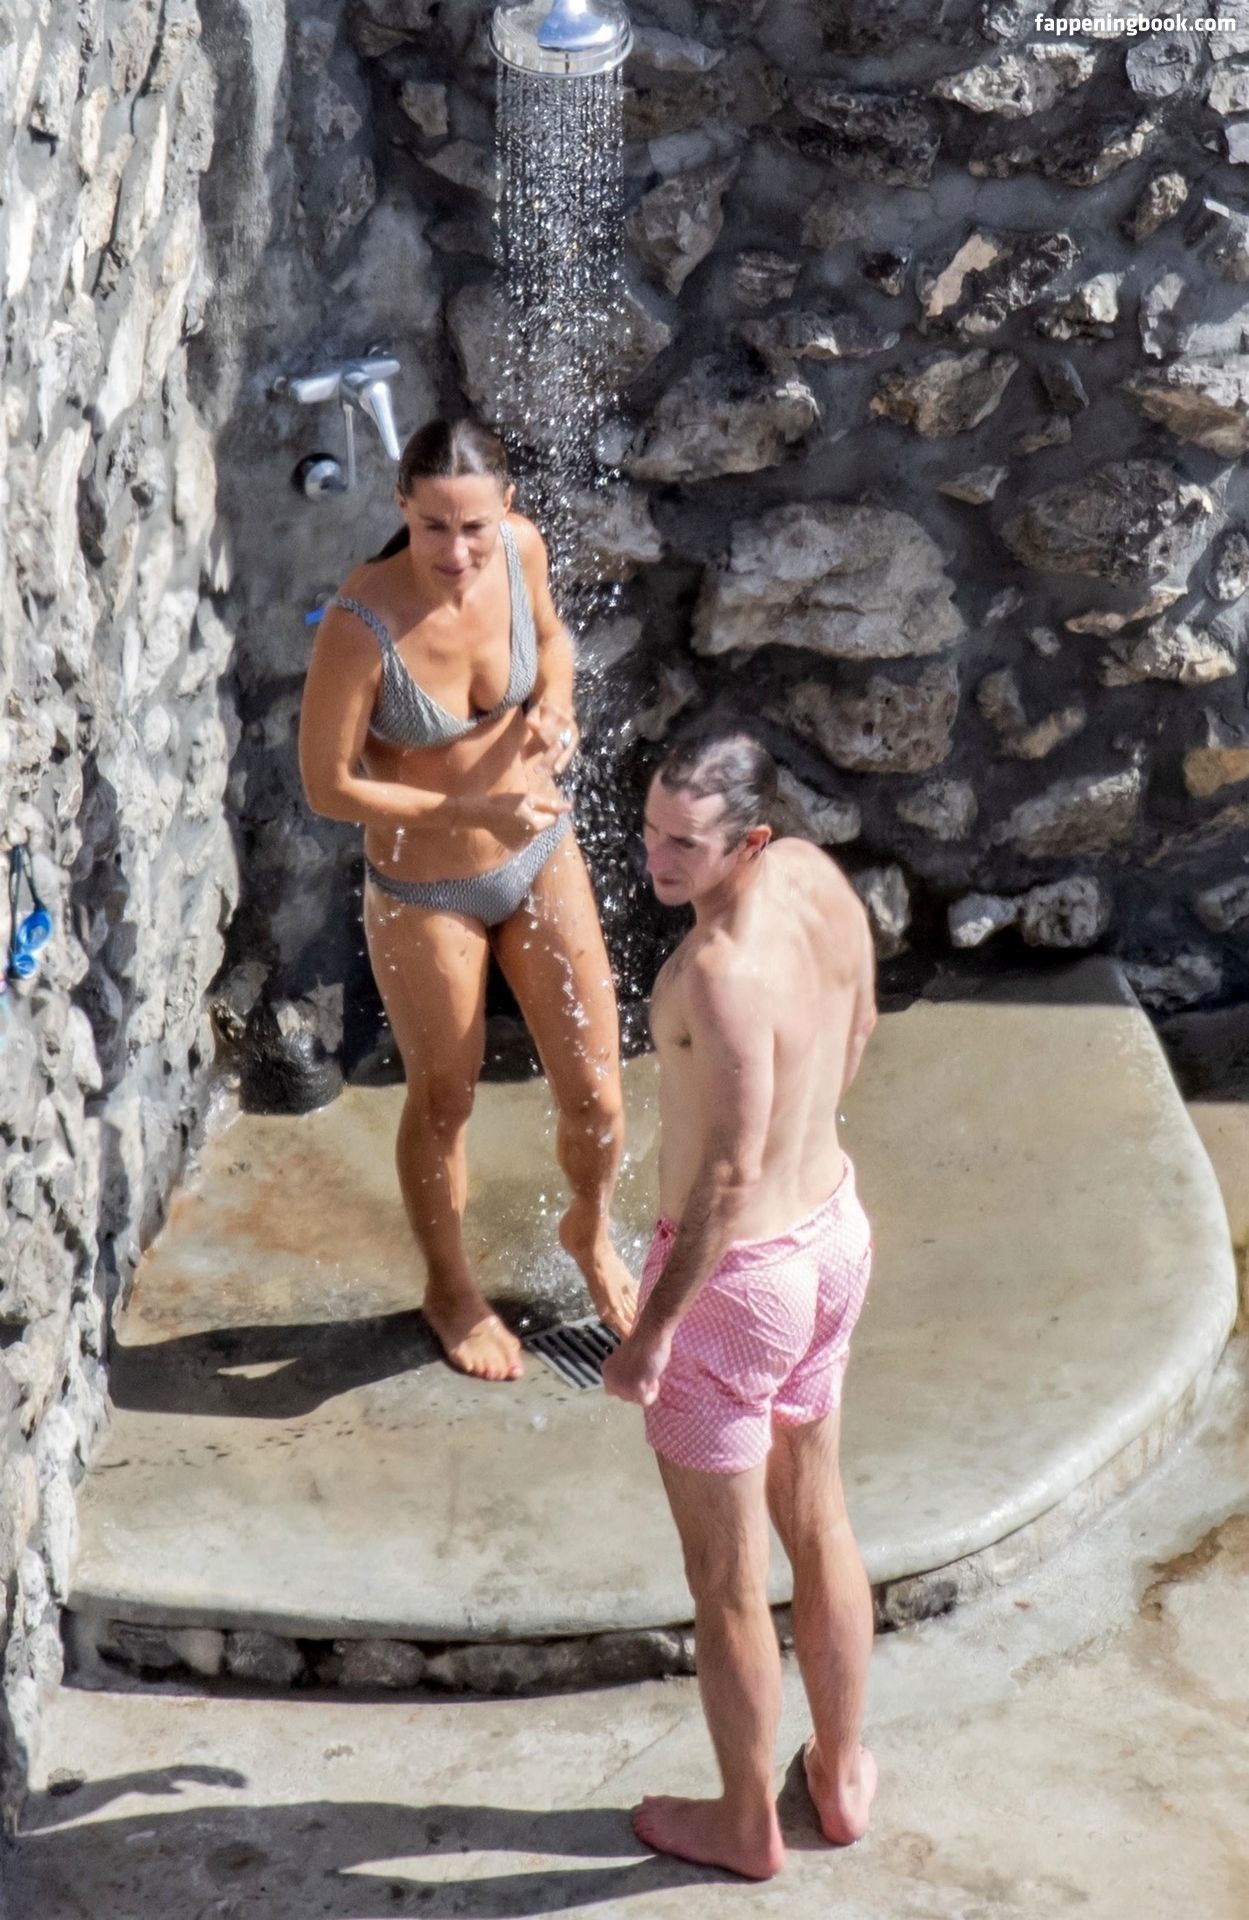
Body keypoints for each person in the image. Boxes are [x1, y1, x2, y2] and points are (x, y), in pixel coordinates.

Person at [299, 416, 636, 1381]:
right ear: (401, 508)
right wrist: (467, 806)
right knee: (445, 1097)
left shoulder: (519, 552)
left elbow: (554, 639)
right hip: (425, 886)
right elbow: (328, 786)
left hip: (537, 849)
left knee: (597, 1092)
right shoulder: (362, 623)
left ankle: (589, 1228)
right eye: (434, 527)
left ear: (506, 510)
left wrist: (557, 703)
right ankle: (449, 1289)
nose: (456, 551)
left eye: (474, 527)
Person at [603, 724, 878, 1882]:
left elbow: (721, 1178)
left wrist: (650, 1334)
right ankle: (840, 1775)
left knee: (724, 1586)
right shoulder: (816, 883)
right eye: (650, 830)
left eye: (685, 844)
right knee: (820, 1519)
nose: (655, 859)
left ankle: (742, 1823)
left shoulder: (713, 972)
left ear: (750, 840)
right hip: (831, 1235)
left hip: (733, 1284)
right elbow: (858, 1026)